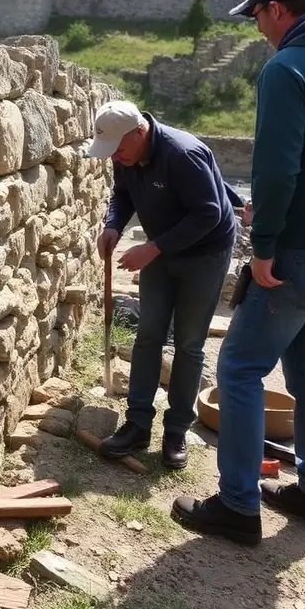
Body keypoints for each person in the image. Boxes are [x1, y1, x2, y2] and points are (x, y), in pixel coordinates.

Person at [172, 0, 305, 544]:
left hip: (300, 248)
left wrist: (263, 245)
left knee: (239, 367)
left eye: (258, 16)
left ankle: (237, 505)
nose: (258, 29)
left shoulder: (288, 68)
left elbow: (276, 168)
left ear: (277, 10)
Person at [87, 100, 236, 468]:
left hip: (205, 253)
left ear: (140, 132)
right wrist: (113, 225)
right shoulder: (124, 155)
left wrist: (153, 248)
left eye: (119, 149)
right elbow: (121, 195)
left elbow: (209, 213)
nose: (115, 157)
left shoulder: (183, 154)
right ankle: (137, 424)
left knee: (188, 342)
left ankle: (177, 430)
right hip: (160, 249)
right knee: (149, 333)